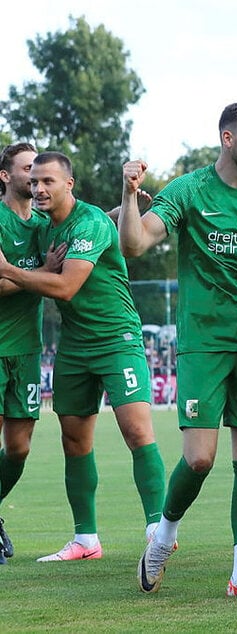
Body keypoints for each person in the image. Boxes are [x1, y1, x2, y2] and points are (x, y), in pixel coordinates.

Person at [119, 102, 237, 600]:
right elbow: (134, 245)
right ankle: (164, 536)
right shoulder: (189, 190)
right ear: (227, 139)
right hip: (203, 343)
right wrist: (129, 195)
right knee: (199, 459)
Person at [0, 151, 166, 562]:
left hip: (115, 338)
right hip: (72, 345)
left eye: (47, 181)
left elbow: (66, 286)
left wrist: (11, 270)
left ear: (68, 184)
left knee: (137, 431)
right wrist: (122, 207)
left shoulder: (89, 222)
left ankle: (158, 527)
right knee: (74, 440)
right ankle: (85, 539)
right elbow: (72, 238)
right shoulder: (42, 227)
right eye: (34, 181)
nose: (38, 188)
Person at [0, 142, 53, 564]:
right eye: (27, 170)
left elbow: (82, 227)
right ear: (6, 176)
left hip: (27, 351)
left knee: (18, 449)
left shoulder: (41, 223)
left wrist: (126, 206)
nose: (35, 177)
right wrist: (47, 273)